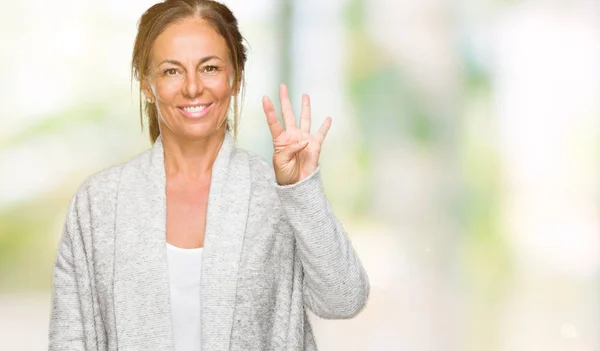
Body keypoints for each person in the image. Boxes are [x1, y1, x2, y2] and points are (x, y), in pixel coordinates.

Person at [48, 0, 369, 350]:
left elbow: (344, 299)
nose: (192, 87)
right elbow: (69, 339)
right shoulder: (99, 203)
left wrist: (302, 192)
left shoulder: (276, 193)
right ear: (146, 84)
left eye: (210, 68)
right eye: (172, 71)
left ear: (236, 78)